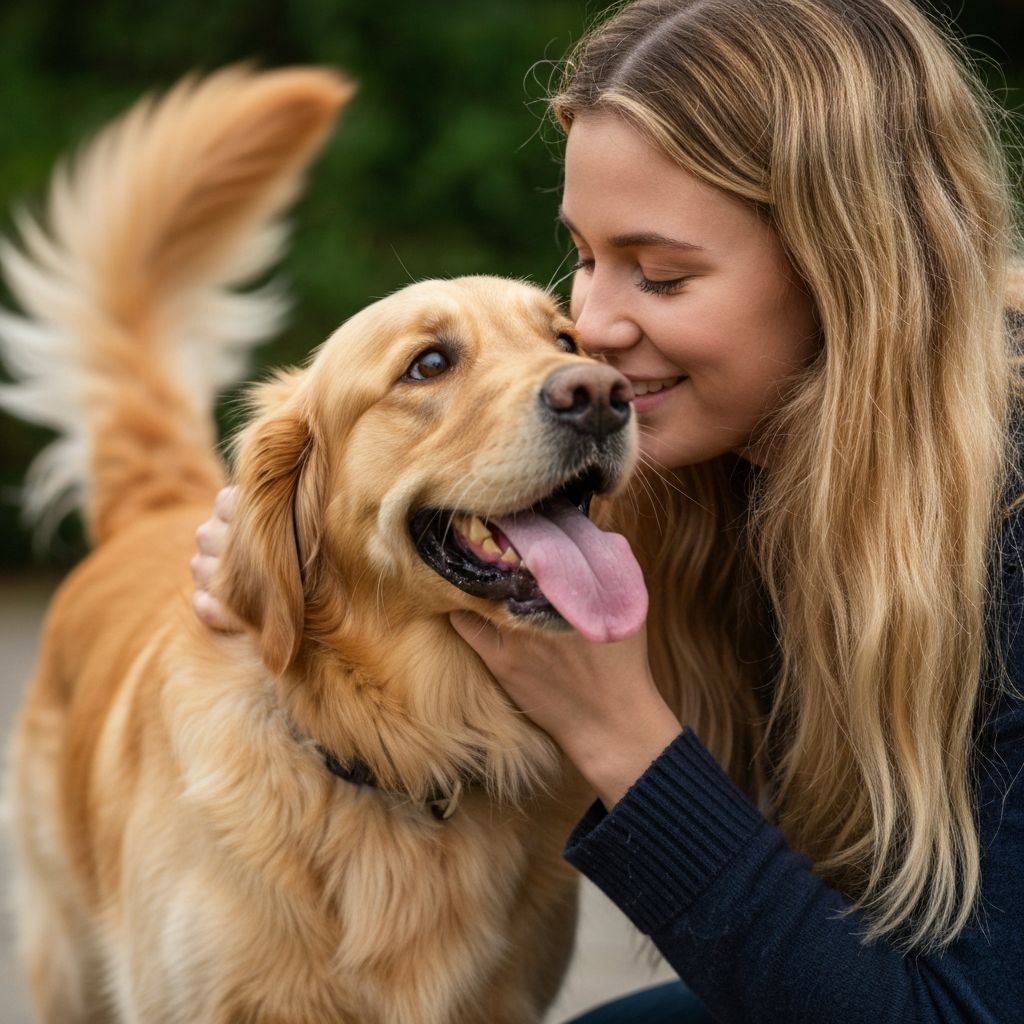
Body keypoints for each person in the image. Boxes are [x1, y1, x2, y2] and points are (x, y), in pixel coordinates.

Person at [192, 1, 1024, 1020]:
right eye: (583, 259)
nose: (587, 336)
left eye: (662, 273)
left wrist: (620, 729)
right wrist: (277, 554)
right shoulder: (721, 461)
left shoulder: (1006, 531)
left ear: (847, 269)